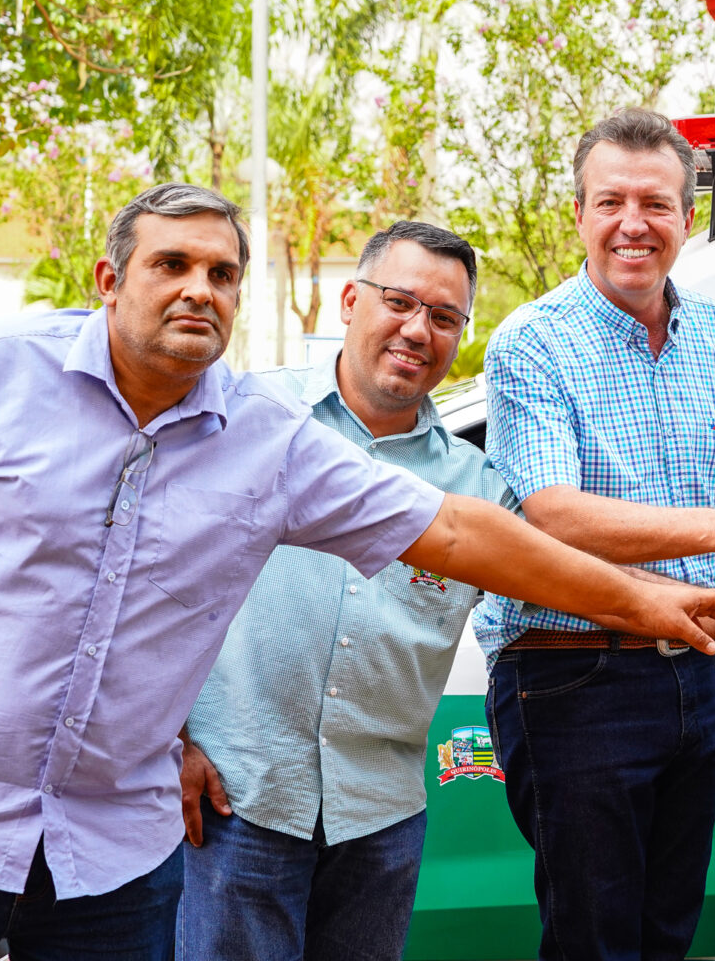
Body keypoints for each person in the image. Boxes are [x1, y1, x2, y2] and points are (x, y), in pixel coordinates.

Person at [0, 184, 715, 961]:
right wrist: (180, 744)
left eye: (222, 274)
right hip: (184, 810)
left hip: (189, 843)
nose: (199, 290)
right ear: (110, 281)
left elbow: (488, 544)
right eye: (171, 265)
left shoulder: (267, 442)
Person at [474, 107, 715, 961]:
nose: (633, 223)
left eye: (656, 204)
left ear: (688, 216)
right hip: (570, 677)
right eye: (611, 202)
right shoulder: (532, 343)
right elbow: (554, 515)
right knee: (594, 944)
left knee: (668, 936)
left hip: (692, 675)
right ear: (579, 215)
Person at [174, 221, 502, 957]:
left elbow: (561, 575)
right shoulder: (243, 417)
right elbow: (142, 581)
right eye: (400, 302)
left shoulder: (475, 486)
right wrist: (170, 740)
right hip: (234, 802)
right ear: (351, 300)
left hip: (380, 820)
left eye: (444, 317)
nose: (417, 330)